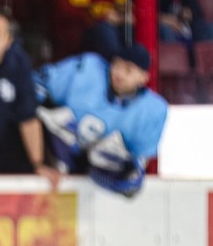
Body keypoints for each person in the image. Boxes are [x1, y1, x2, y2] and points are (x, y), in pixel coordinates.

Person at [34, 42, 167, 198]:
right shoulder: (88, 69)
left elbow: (138, 163)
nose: (119, 73)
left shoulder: (153, 110)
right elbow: (37, 85)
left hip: (91, 174)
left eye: (128, 70)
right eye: (117, 65)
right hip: (53, 152)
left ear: (144, 78)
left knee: (128, 173)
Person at [0, 6, 60, 187]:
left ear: (8, 40)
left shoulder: (19, 62)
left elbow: (28, 117)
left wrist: (37, 164)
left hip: (4, 148)